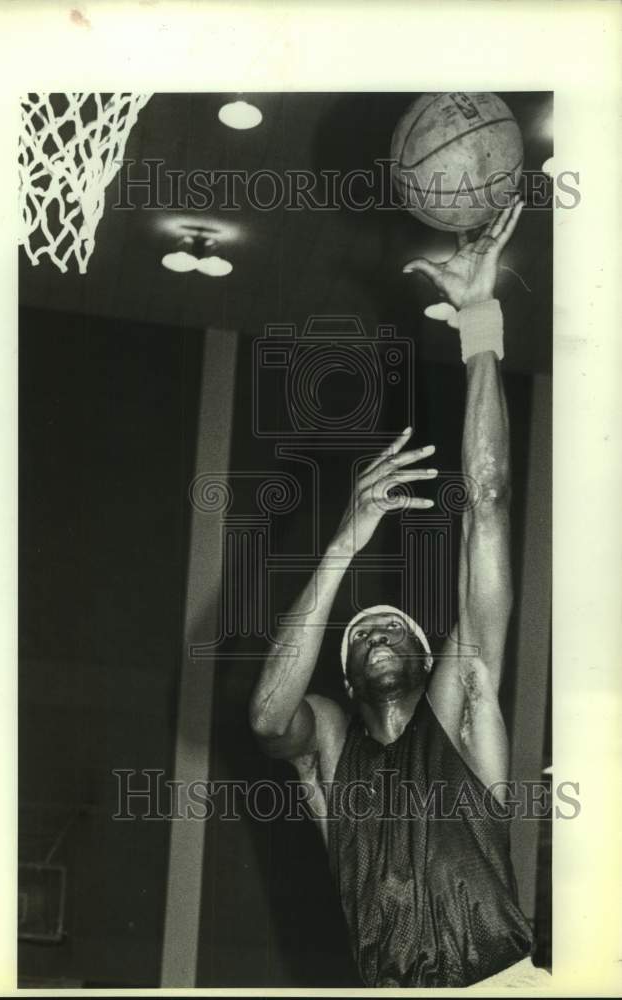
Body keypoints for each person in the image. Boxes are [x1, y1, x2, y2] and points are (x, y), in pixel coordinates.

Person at [249, 195, 548, 987]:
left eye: (394, 628)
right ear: (344, 678)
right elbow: (267, 717)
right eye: (361, 634)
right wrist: (346, 540)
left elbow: (487, 505)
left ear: (429, 656)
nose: (377, 629)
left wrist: (479, 324)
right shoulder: (330, 753)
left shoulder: (462, 703)